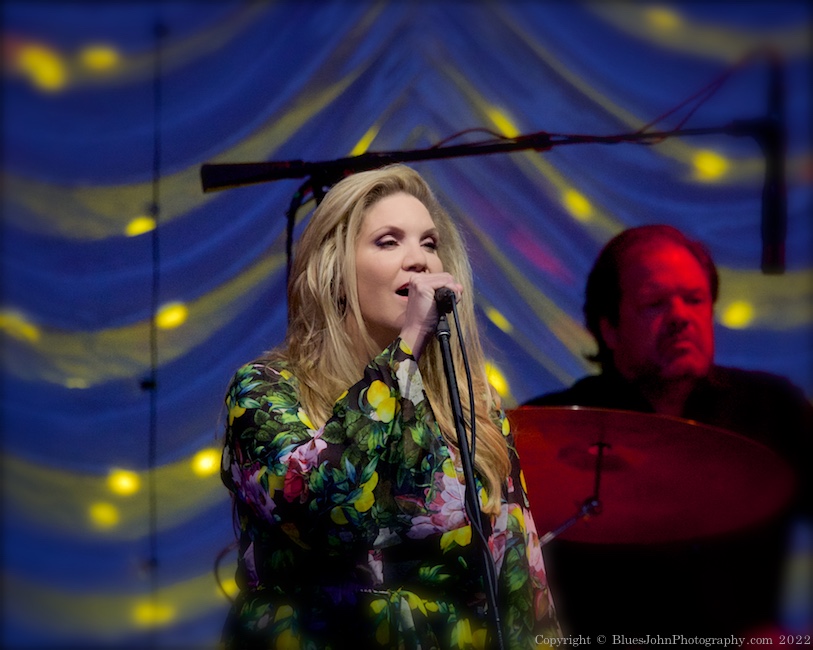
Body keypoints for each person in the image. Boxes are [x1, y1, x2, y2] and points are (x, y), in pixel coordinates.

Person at [220, 164, 561, 649]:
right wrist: (405, 351)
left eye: (429, 242)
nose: (419, 260)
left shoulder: (469, 411)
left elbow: (521, 582)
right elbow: (323, 511)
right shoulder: (265, 391)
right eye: (388, 241)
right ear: (335, 271)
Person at [525, 224, 812, 636]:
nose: (681, 318)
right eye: (655, 304)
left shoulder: (773, 408)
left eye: (694, 300)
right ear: (609, 328)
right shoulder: (549, 431)